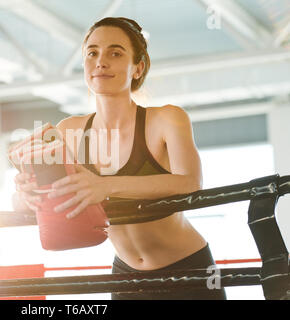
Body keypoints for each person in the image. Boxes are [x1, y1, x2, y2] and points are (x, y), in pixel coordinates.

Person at [13, 17, 226, 300]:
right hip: (125, 278)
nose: (101, 61)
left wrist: (105, 186)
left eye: (115, 53)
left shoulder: (166, 119)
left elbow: (191, 182)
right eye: (92, 53)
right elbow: (35, 201)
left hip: (188, 271)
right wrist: (25, 194)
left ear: (137, 68)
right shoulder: (69, 131)